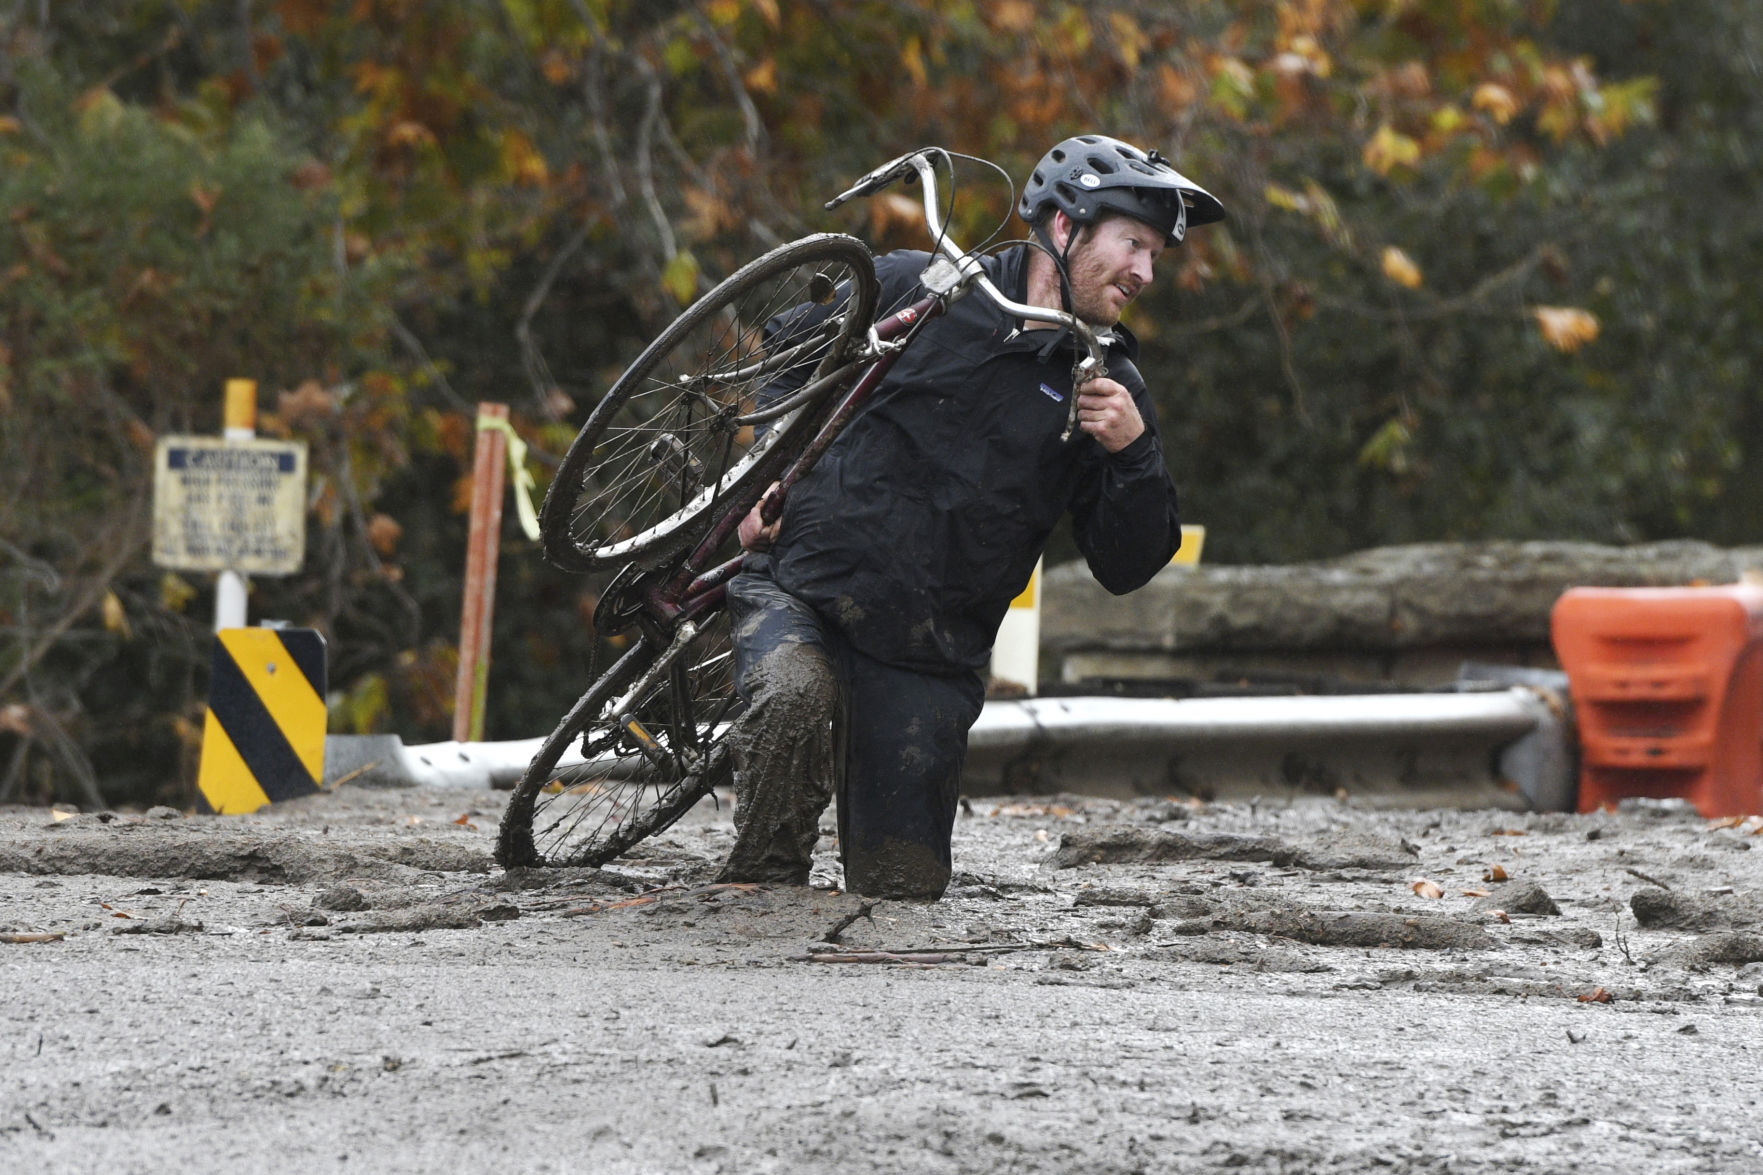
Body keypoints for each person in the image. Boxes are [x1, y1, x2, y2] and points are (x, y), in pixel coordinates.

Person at [715, 134, 1226, 899]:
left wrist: (1133, 453)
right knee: (792, 698)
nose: (1145, 273)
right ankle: (758, 887)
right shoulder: (918, 288)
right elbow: (786, 349)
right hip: (801, 591)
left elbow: (1125, 566)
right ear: (1064, 226)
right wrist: (765, 472)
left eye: (1154, 255)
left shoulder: (1108, 387)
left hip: (926, 658)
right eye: (1133, 245)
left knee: (901, 893)